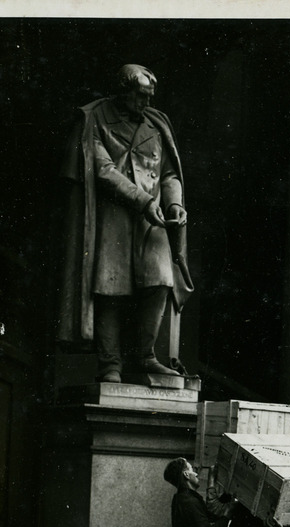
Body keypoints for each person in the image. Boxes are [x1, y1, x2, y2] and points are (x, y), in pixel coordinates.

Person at [57, 63, 193, 383]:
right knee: (110, 286)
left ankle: (146, 356)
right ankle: (110, 364)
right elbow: (102, 169)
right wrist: (143, 201)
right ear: (123, 91)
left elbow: (169, 173)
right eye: (140, 96)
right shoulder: (94, 119)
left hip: (154, 220)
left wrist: (175, 204)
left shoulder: (156, 125)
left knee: (160, 280)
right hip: (112, 218)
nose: (146, 103)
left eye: (150, 97)